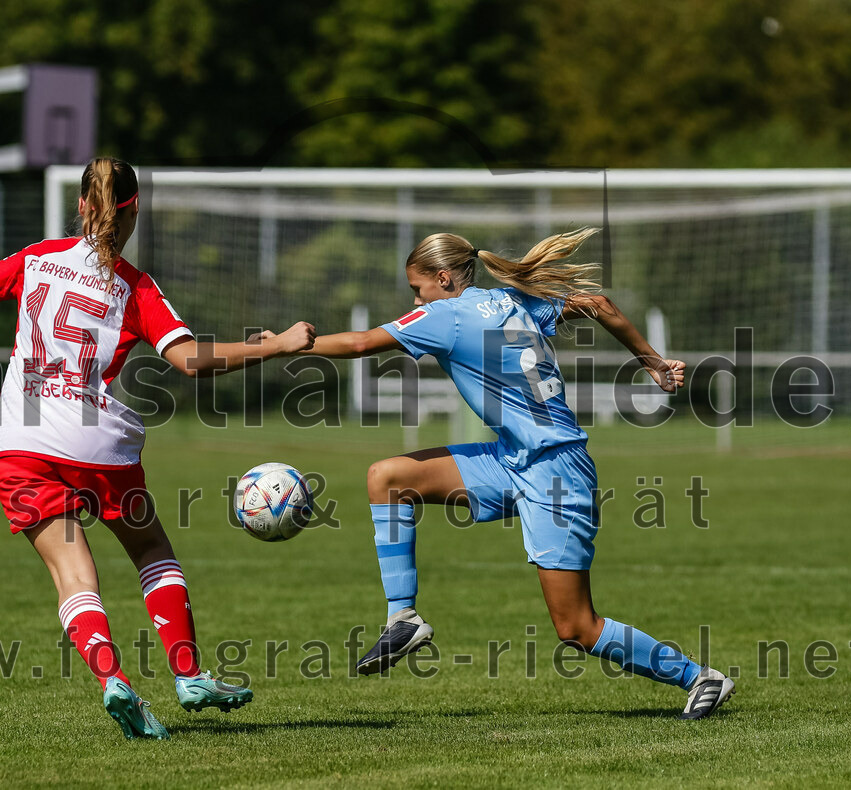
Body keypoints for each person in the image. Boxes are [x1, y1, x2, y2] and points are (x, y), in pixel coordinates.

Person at [0, 157, 315, 739]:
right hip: (94, 443)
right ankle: (189, 675)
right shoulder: (134, 286)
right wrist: (277, 345)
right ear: (133, 212)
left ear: (81, 205)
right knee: (151, 550)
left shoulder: (36, 257)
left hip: (19, 440)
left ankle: (114, 680)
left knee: (73, 574)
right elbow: (190, 361)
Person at [300, 229, 734, 720]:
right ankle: (403, 617)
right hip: (513, 459)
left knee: (576, 627)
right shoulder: (511, 301)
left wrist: (284, 346)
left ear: (443, 278)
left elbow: (360, 342)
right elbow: (601, 305)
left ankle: (699, 677)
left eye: (418, 289)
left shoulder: (446, 315)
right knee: (388, 478)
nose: (416, 300)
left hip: (555, 472)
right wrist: (651, 362)